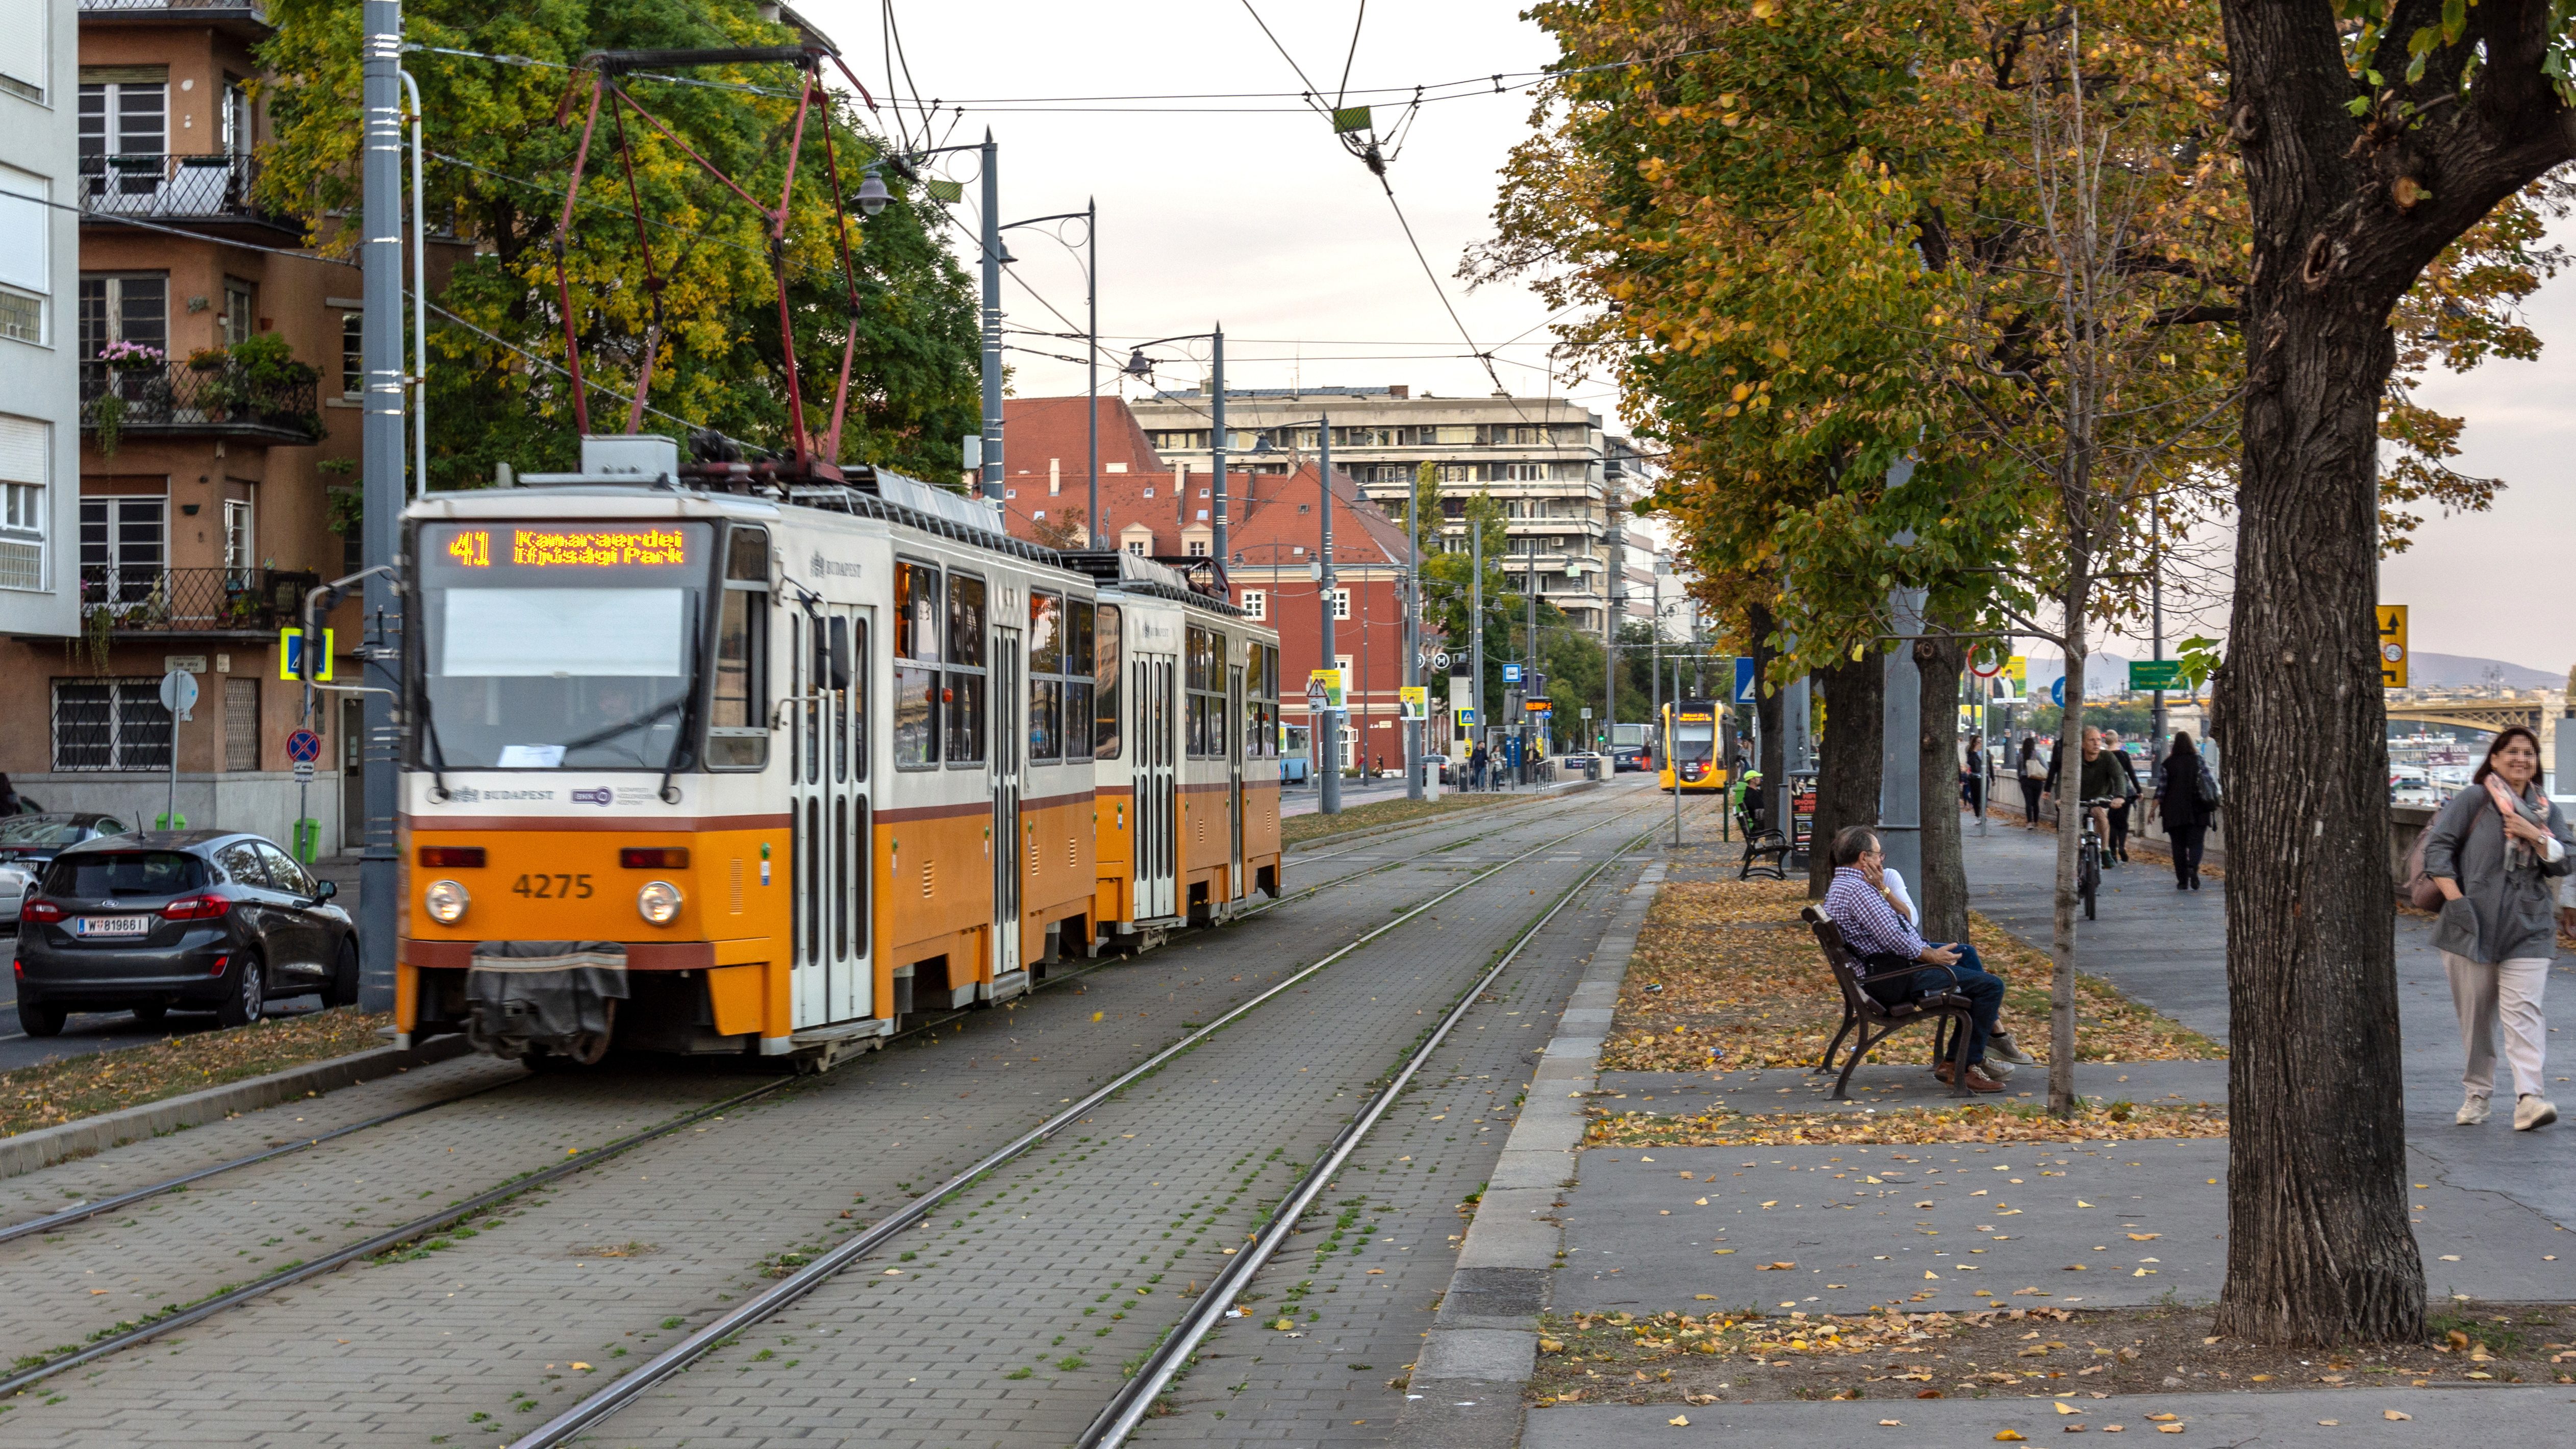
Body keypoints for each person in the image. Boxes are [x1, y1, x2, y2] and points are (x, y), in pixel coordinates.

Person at [2422, 726, 2570, 1132]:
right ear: (2495, 758)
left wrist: (2537, 837)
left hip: (2530, 925)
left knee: (2524, 1012)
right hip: (2472, 923)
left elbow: (2566, 860)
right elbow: (2438, 850)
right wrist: (2457, 902)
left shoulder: (2546, 809)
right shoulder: (2475, 799)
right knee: (2477, 1018)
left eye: (2529, 754)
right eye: (2513, 752)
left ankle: (2529, 1099)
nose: (2522, 760)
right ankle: (2478, 1094)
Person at [1821, 826, 2036, 1092]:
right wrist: (1930, 955)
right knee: (1991, 987)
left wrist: (1922, 946)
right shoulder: (1858, 890)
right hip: (1894, 978)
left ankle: (1980, 1044)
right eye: (1879, 855)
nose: (1881, 860)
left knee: (1965, 953)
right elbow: (1894, 938)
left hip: (1883, 969)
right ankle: (1961, 1063)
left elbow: (1899, 928)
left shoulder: (1846, 884)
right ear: (1864, 858)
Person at [2043, 728, 2131, 864]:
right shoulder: (2074, 759)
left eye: (2099, 740)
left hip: (2100, 796)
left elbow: (2119, 776)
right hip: (2077, 796)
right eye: (2092, 740)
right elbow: (2063, 778)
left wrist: (2120, 796)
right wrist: (2061, 798)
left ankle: (2105, 851)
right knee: (2074, 823)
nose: (2096, 744)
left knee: (2101, 816)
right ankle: (2078, 854)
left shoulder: (2107, 757)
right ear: (2083, 744)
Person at [2152, 731, 2218, 890]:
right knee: (2196, 843)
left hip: (2174, 812)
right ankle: (2192, 867)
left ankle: (2182, 881)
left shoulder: (2168, 764)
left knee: (2178, 846)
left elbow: (2161, 790)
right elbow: (2210, 783)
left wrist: (2152, 810)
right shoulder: (2199, 761)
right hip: (2198, 809)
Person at [2100, 730, 2142, 862]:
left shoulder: (2102, 756)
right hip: (2125, 793)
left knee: (2112, 822)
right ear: (2117, 740)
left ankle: (2113, 851)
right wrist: (2139, 790)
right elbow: (2131, 774)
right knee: (2123, 823)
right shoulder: (2124, 755)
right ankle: (2122, 847)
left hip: (2109, 793)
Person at [2017, 736, 2046, 830]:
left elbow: (2019, 770)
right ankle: (2036, 822)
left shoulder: (2021, 755)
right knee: (2035, 802)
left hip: (2025, 780)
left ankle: (2029, 822)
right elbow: (2045, 766)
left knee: (2028, 802)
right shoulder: (2037, 754)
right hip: (2037, 781)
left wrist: (2020, 778)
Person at [1960, 733, 1986, 818]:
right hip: (1975, 777)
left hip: (1984, 777)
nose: (1980, 744)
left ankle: (1982, 813)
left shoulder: (1985, 752)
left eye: (1981, 742)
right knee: (1976, 797)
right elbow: (1970, 763)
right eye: (1978, 742)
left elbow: (1988, 763)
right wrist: (1975, 751)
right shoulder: (1971, 753)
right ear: (1974, 743)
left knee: (1983, 797)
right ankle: (1978, 815)